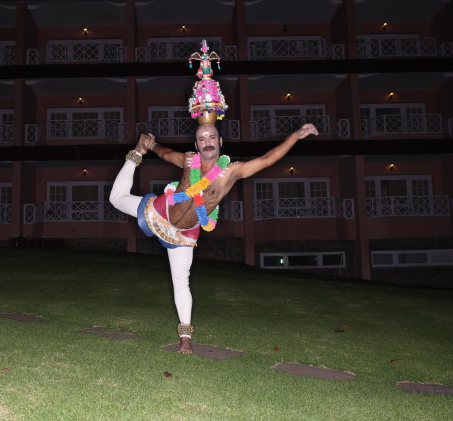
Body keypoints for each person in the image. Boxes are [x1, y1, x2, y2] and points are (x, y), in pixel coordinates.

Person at [109, 122, 319, 354]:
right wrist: (150, 145)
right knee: (116, 198)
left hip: (184, 234)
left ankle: (185, 338)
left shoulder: (232, 171)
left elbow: (268, 159)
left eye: (211, 137)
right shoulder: (189, 160)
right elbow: (167, 154)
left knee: (181, 281)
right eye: (202, 138)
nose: (207, 141)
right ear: (196, 145)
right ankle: (136, 152)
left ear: (220, 142)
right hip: (160, 213)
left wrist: (296, 136)